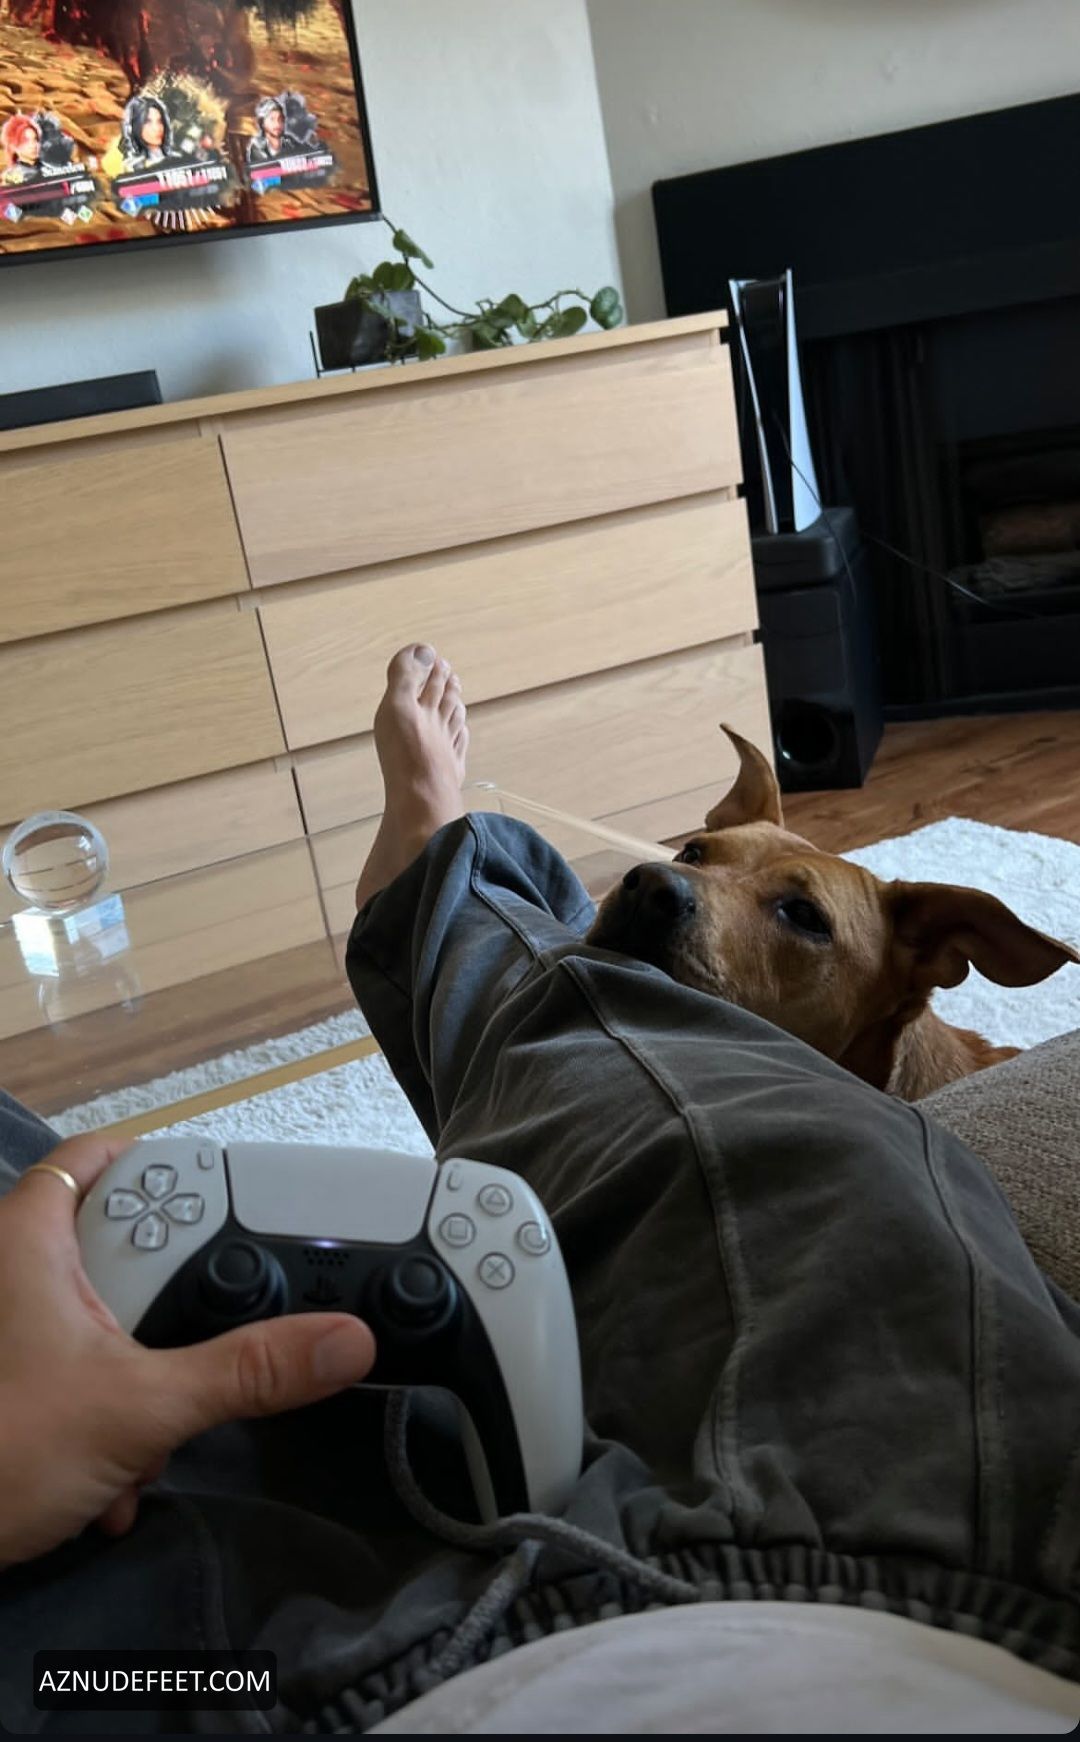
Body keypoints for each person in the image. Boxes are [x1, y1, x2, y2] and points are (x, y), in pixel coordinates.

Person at [2, 642, 1080, 1736]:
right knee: (732, 1109)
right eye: (694, 857)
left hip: (348, 1665)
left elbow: (86, 1681)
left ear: (916, 973)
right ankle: (440, 896)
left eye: (797, 918)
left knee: (610, 1029)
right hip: (975, 1573)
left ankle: (438, 877)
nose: (670, 884)